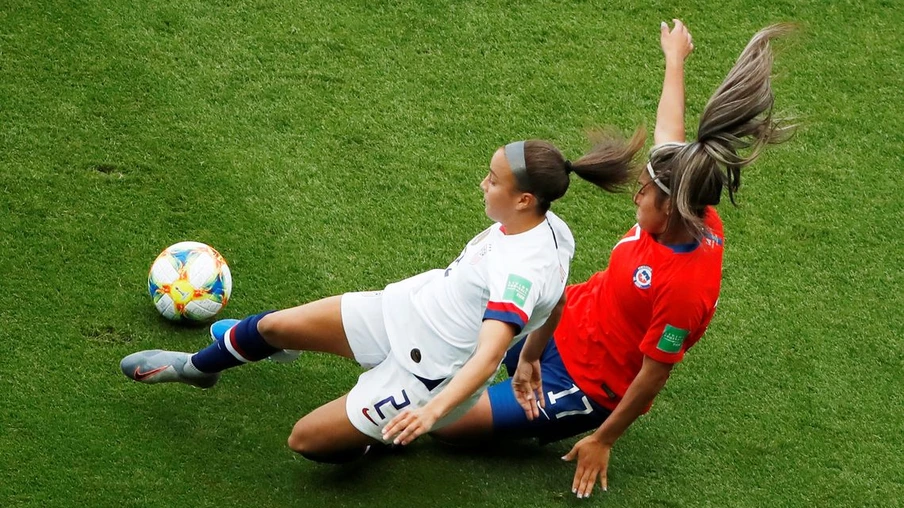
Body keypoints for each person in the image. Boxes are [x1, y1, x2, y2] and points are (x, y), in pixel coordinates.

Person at [120, 129, 646, 463]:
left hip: (425, 375)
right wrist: (531, 359)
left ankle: (375, 434)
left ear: (523, 199)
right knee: (274, 326)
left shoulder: (517, 273)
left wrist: (432, 409)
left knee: (306, 442)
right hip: (404, 310)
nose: (482, 184)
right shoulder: (553, 229)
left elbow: (488, 359)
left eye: (492, 180)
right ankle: (196, 368)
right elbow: (555, 304)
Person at [431, 20, 795, 499]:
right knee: (450, 329)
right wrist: (675, 59)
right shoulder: (683, 198)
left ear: (671, 206)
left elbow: (652, 375)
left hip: (583, 384)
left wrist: (603, 439)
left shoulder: (685, 289)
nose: (635, 196)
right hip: (561, 322)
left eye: (643, 192)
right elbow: (672, 131)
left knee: (444, 423)